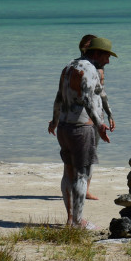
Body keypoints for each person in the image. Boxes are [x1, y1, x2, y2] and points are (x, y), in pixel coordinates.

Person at [49, 36, 115, 228]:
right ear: (96, 53)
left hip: (64, 126)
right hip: (81, 128)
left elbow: (59, 97)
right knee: (81, 175)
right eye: (107, 56)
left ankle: (71, 219)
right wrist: (100, 125)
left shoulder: (69, 66)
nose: (108, 61)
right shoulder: (90, 69)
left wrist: (54, 120)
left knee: (68, 172)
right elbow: (87, 99)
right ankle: (78, 222)